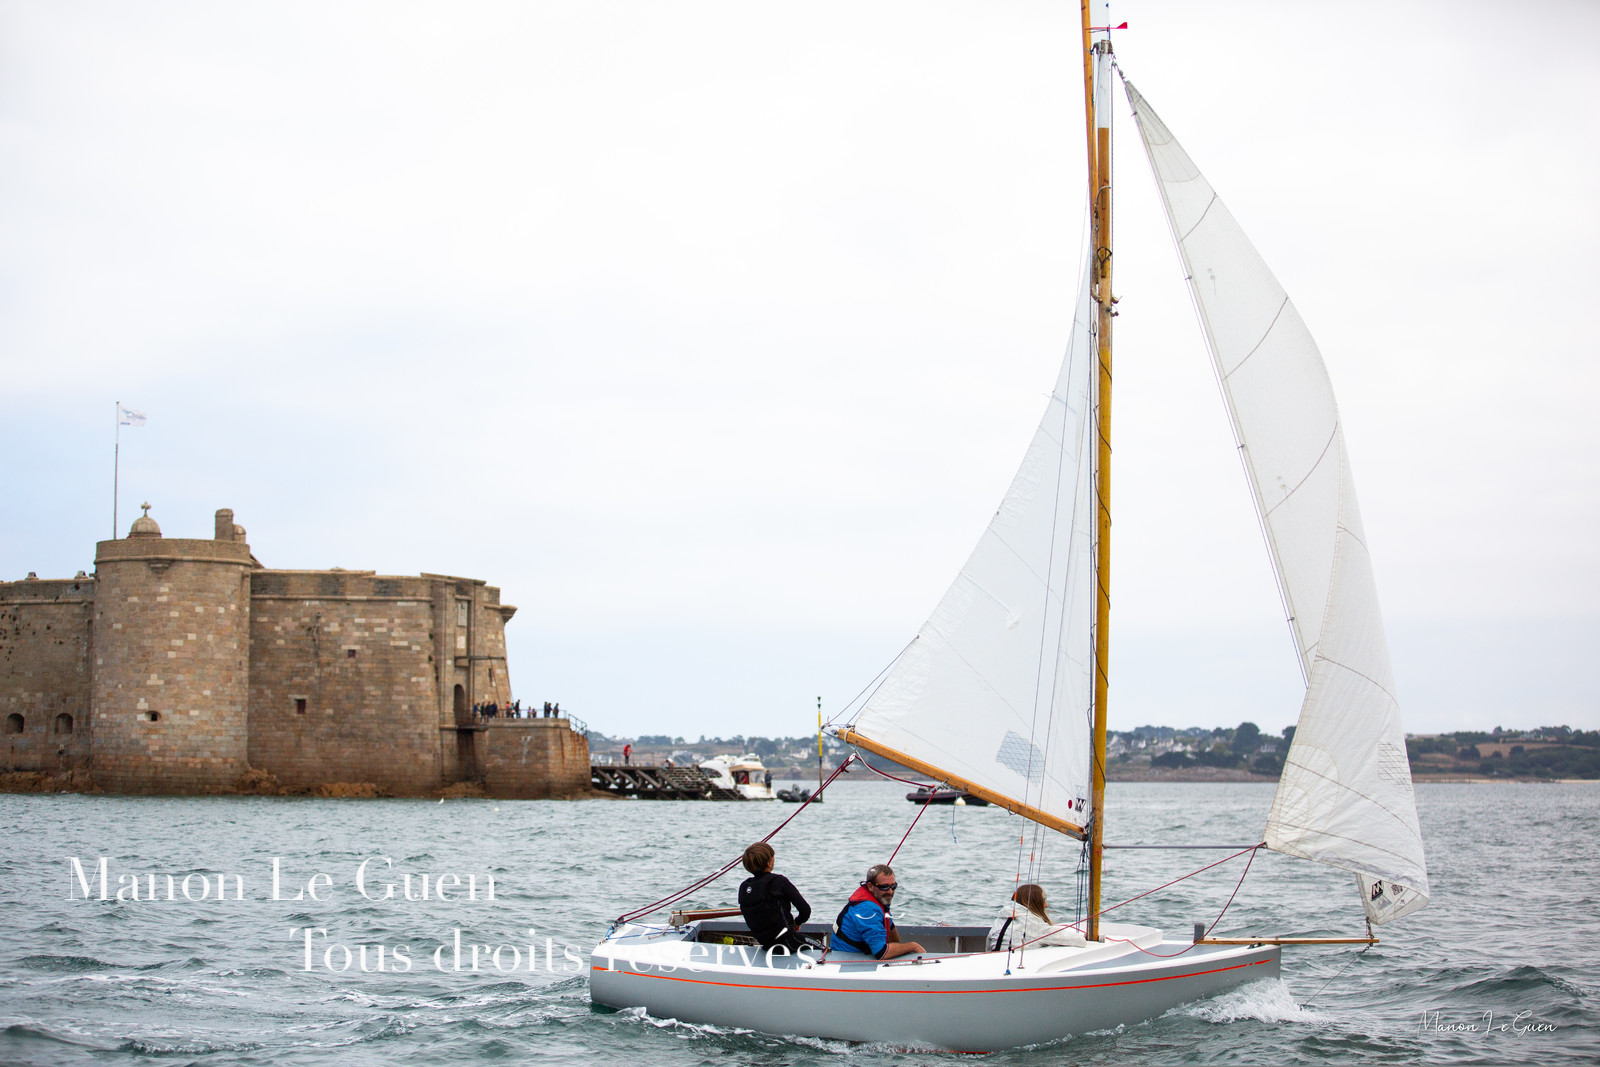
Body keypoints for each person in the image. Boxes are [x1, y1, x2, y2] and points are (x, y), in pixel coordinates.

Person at [834, 864, 925, 960]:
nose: (890, 892)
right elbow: (881, 953)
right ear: (870, 886)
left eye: (893, 886)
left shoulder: (879, 899)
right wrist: (913, 947)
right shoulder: (867, 909)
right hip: (847, 960)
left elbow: (892, 933)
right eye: (884, 887)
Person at [737, 842, 813, 953]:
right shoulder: (779, 881)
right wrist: (796, 923)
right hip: (787, 942)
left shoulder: (744, 887)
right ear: (769, 863)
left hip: (766, 944)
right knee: (824, 949)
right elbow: (805, 910)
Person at [988, 883, 1087, 951]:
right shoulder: (1034, 924)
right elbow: (1079, 941)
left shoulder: (1001, 919)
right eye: (1043, 900)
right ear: (1035, 902)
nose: (1046, 905)